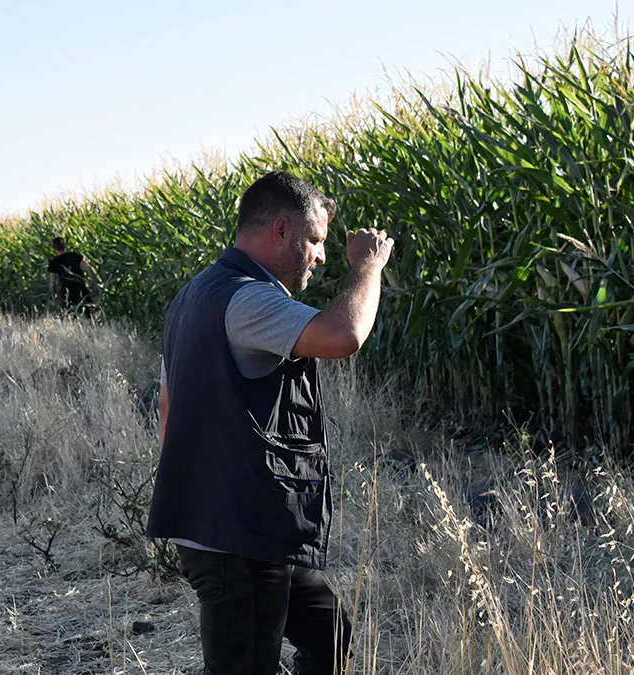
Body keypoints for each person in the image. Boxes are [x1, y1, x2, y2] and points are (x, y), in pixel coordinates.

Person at [146, 170, 393, 675]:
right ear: (281, 231)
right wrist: (368, 268)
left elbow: (169, 405)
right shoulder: (248, 298)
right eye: (315, 240)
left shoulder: (194, 295)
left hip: (243, 528)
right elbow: (344, 334)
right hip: (236, 539)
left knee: (328, 632)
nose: (321, 256)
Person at [47, 236, 101, 309]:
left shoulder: (54, 262)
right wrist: (94, 282)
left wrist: (53, 295)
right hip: (80, 288)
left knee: (70, 314)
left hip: (67, 292)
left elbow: (52, 284)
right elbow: (88, 268)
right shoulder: (74, 255)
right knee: (89, 311)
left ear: (54, 248)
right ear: (65, 246)